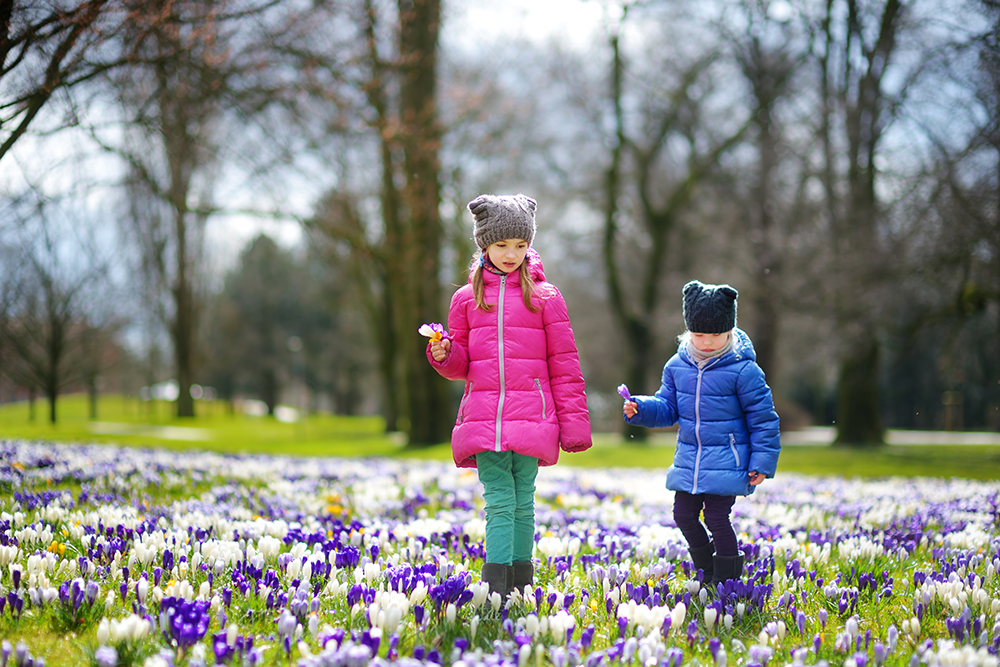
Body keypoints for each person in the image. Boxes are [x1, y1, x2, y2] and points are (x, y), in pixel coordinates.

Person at [426, 193, 592, 602]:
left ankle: (520, 583)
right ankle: (497, 586)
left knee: (523, 503)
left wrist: (573, 427)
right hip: (484, 416)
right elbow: (462, 364)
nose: (511, 254)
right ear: (484, 244)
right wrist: (443, 353)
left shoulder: (545, 297)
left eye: (520, 245)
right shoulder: (465, 299)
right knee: (500, 501)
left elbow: (565, 365)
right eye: (501, 245)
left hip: (532, 417)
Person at [622, 280, 780, 588]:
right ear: (688, 330)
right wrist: (641, 408)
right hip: (690, 458)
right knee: (683, 515)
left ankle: (728, 580)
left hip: (728, 461)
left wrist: (762, 461)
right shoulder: (676, 366)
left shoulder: (743, 370)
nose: (707, 342)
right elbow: (667, 407)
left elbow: (763, 419)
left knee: (717, 519)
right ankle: (708, 570)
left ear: (730, 330)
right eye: (699, 334)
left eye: (716, 335)